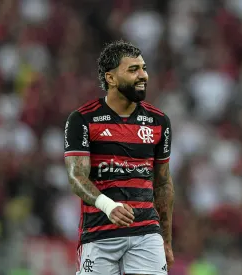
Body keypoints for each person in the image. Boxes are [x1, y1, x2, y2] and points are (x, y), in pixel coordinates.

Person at [64, 40, 175, 275]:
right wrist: (109, 206)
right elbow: (76, 177)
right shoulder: (83, 119)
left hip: (146, 234)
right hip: (98, 234)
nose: (143, 75)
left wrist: (166, 239)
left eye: (144, 68)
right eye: (133, 70)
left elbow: (163, 183)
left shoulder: (158, 122)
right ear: (111, 78)